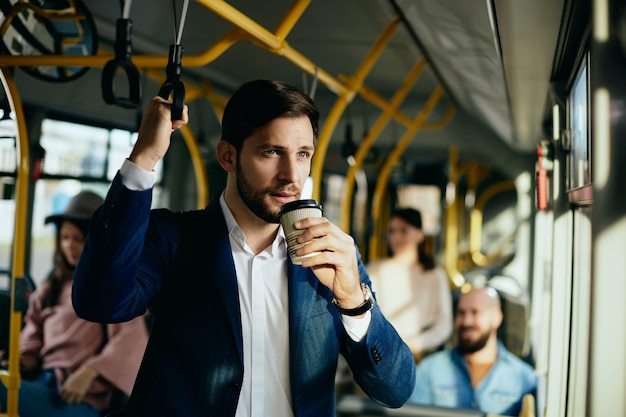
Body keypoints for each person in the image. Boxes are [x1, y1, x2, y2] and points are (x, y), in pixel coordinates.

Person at [71, 79, 416, 417]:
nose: (291, 175)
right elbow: (99, 302)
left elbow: (395, 390)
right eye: (271, 152)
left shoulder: (329, 254)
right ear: (227, 156)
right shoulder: (174, 238)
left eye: (303, 154)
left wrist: (354, 302)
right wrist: (143, 157)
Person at [0, 191, 149, 417]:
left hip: (77, 397)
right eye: (65, 237)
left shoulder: (111, 287)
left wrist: (89, 372)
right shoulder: (52, 286)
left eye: (79, 239)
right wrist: (21, 360)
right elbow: (32, 336)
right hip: (44, 383)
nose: (70, 245)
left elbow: (130, 340)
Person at [407, 286, 537, 416]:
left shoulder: (525, 378)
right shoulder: (429, 369)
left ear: (497, 318)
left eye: (475, 312)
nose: (466, 321)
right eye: (461, 313)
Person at [367, 208, 452, 363]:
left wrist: (415, 345)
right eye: (392, 231)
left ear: (420, 235)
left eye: (403, 231)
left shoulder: (434, 274)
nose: (396, 237)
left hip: (423, 357)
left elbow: (444, 325)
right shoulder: (374, 270)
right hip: (380, 355)